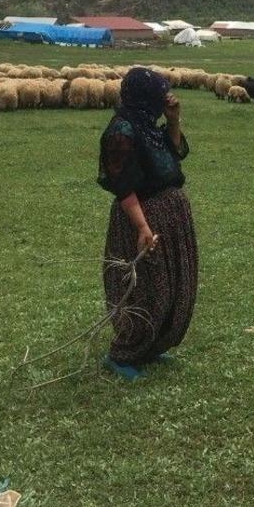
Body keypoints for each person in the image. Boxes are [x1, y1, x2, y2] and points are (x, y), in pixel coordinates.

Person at [97, 67, 198, 379]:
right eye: (158, 93)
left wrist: (174, 120)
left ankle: (152, 345)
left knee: (172, 285)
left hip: (170, 215)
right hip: (142, 218)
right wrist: (142, 226)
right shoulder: (121, 132)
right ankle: (123, 353)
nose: (163, 97)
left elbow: (177, 152)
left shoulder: (148, 125)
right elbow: (122, 184)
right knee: (144, 288)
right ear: (143, 96)